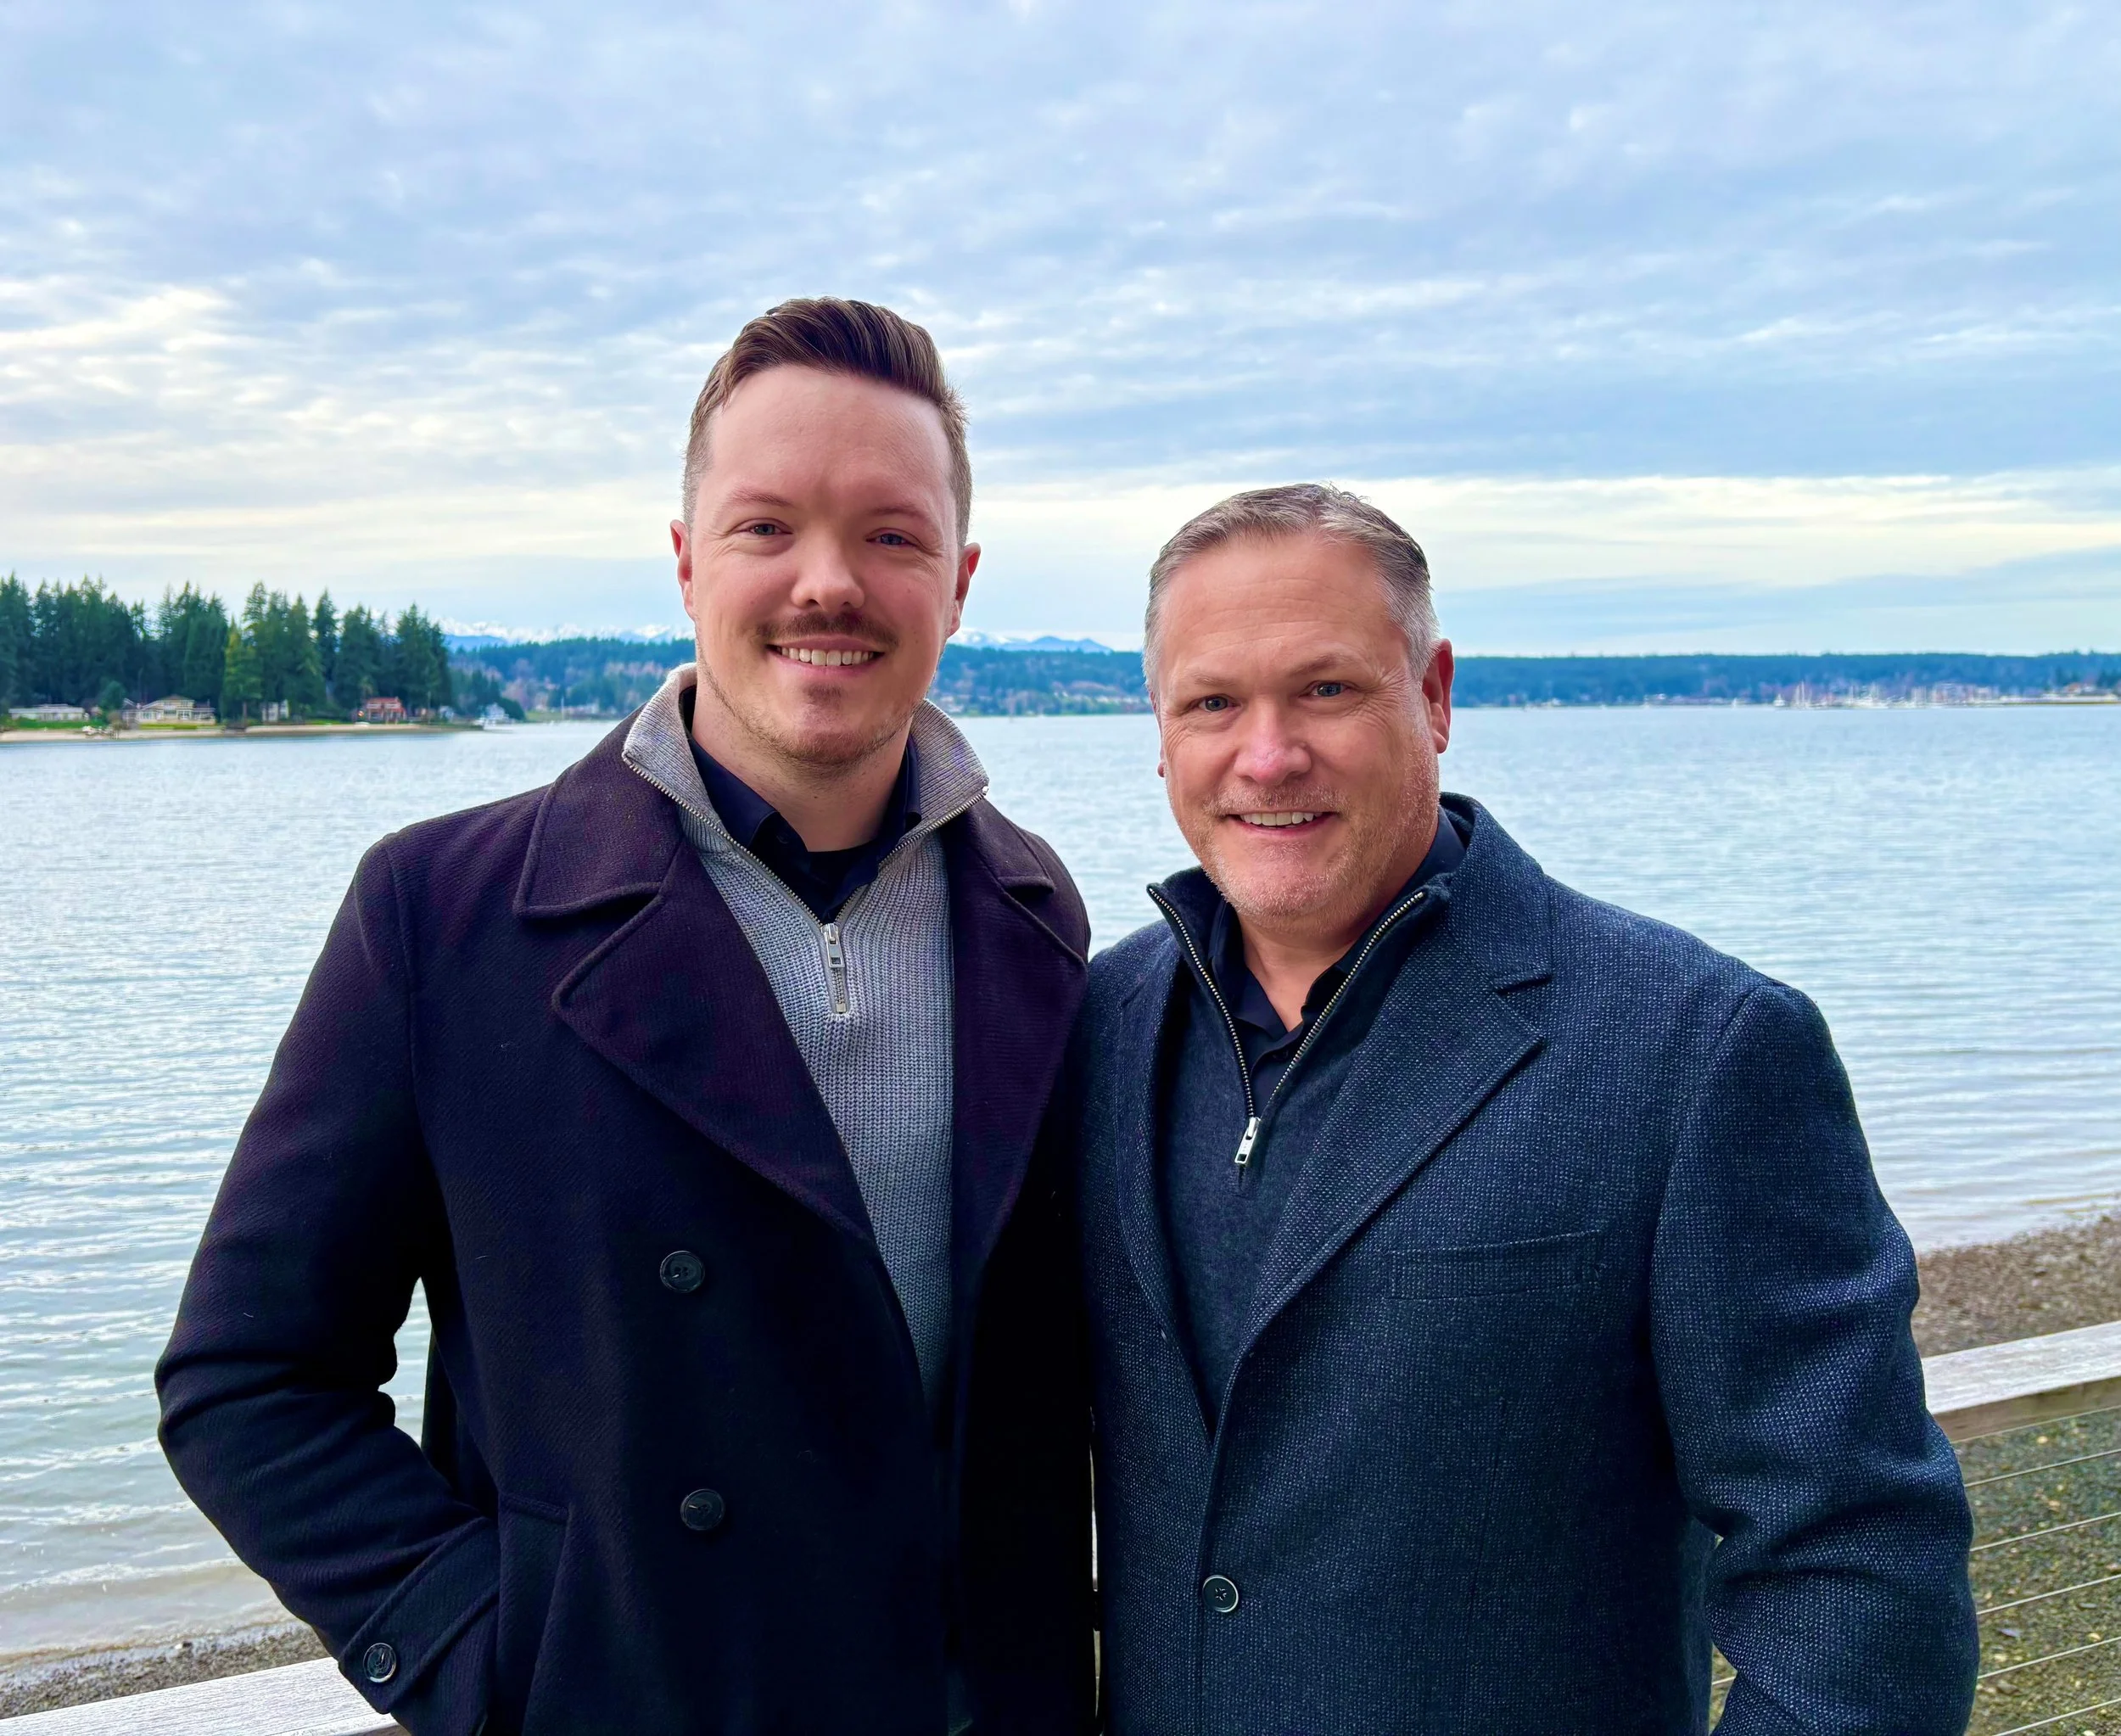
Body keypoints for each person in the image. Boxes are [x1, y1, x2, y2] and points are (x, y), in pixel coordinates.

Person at [158, 299, 1096, 1736]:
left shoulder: (1038, 914)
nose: (828, 583)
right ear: (685, 560)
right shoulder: (442, 912)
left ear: (959, 582)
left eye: (892, 535)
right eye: (767, 526)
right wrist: (500, 1659)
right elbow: (248, 1375)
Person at [1066, 483, 1978, 1733]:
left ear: (1434, 695)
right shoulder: (1097, 1026)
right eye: (1212, 702)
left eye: (1325, 689)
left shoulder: (1693, 1047)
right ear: (1162, 733)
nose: (1267, 755)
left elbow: (1859, 1560)